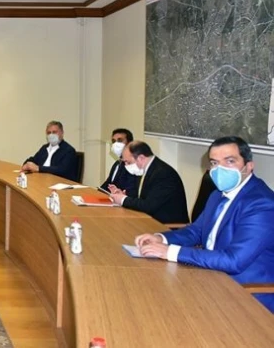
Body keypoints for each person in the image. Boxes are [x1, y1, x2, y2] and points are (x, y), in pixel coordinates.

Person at [136, 136, 274, 313]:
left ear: (249, 166)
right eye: (214, 163)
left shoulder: (262, 204)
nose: (220, 169)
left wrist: (170, 251)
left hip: (248, 295)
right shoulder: (218, 194)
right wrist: (161, 238)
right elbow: (196, 231)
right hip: (212, 278)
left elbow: (234, 261)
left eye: (230, 161)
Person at [109, 141, 188, 224]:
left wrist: (123, 199)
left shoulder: (163, 173)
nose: (126, 166)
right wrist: (123, 195)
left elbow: (148, 206)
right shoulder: (144, 169)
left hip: (167, 225)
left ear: (141, 158)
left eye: (128, 162)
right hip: (148, 220)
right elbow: (141, 198)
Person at [101, 128, 139, 196]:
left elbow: (132, 192)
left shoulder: (134, 166)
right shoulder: (117, 164)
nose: (115, 144)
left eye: (120, 140)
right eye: (113, 141)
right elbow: (108, 183)